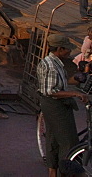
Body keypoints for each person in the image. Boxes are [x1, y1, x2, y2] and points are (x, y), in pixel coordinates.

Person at [39, 34, 87, 177]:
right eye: (67, 49)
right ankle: (66, 171)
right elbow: (51, 91)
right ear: (59, 49)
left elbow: (61, 82)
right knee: (68, 141)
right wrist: (75, 94)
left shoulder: (56, 62)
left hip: (52, 105)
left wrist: (80, 77)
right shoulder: (51, 66)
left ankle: (52, 171)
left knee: (53, 138)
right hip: (55, 106)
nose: (69, 52)